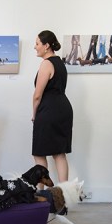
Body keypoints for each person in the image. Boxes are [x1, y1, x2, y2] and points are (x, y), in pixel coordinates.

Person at [32, 30, 73, 184]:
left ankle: (40, 196)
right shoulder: (60, 63)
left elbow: (37, 95)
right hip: (63, 108)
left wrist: (34, 114)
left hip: (49, 110)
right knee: (59, 153)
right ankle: (63, 196)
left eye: (37, 44)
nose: (35, 47)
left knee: (39, 153)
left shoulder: (46, 64)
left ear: (46, 45)